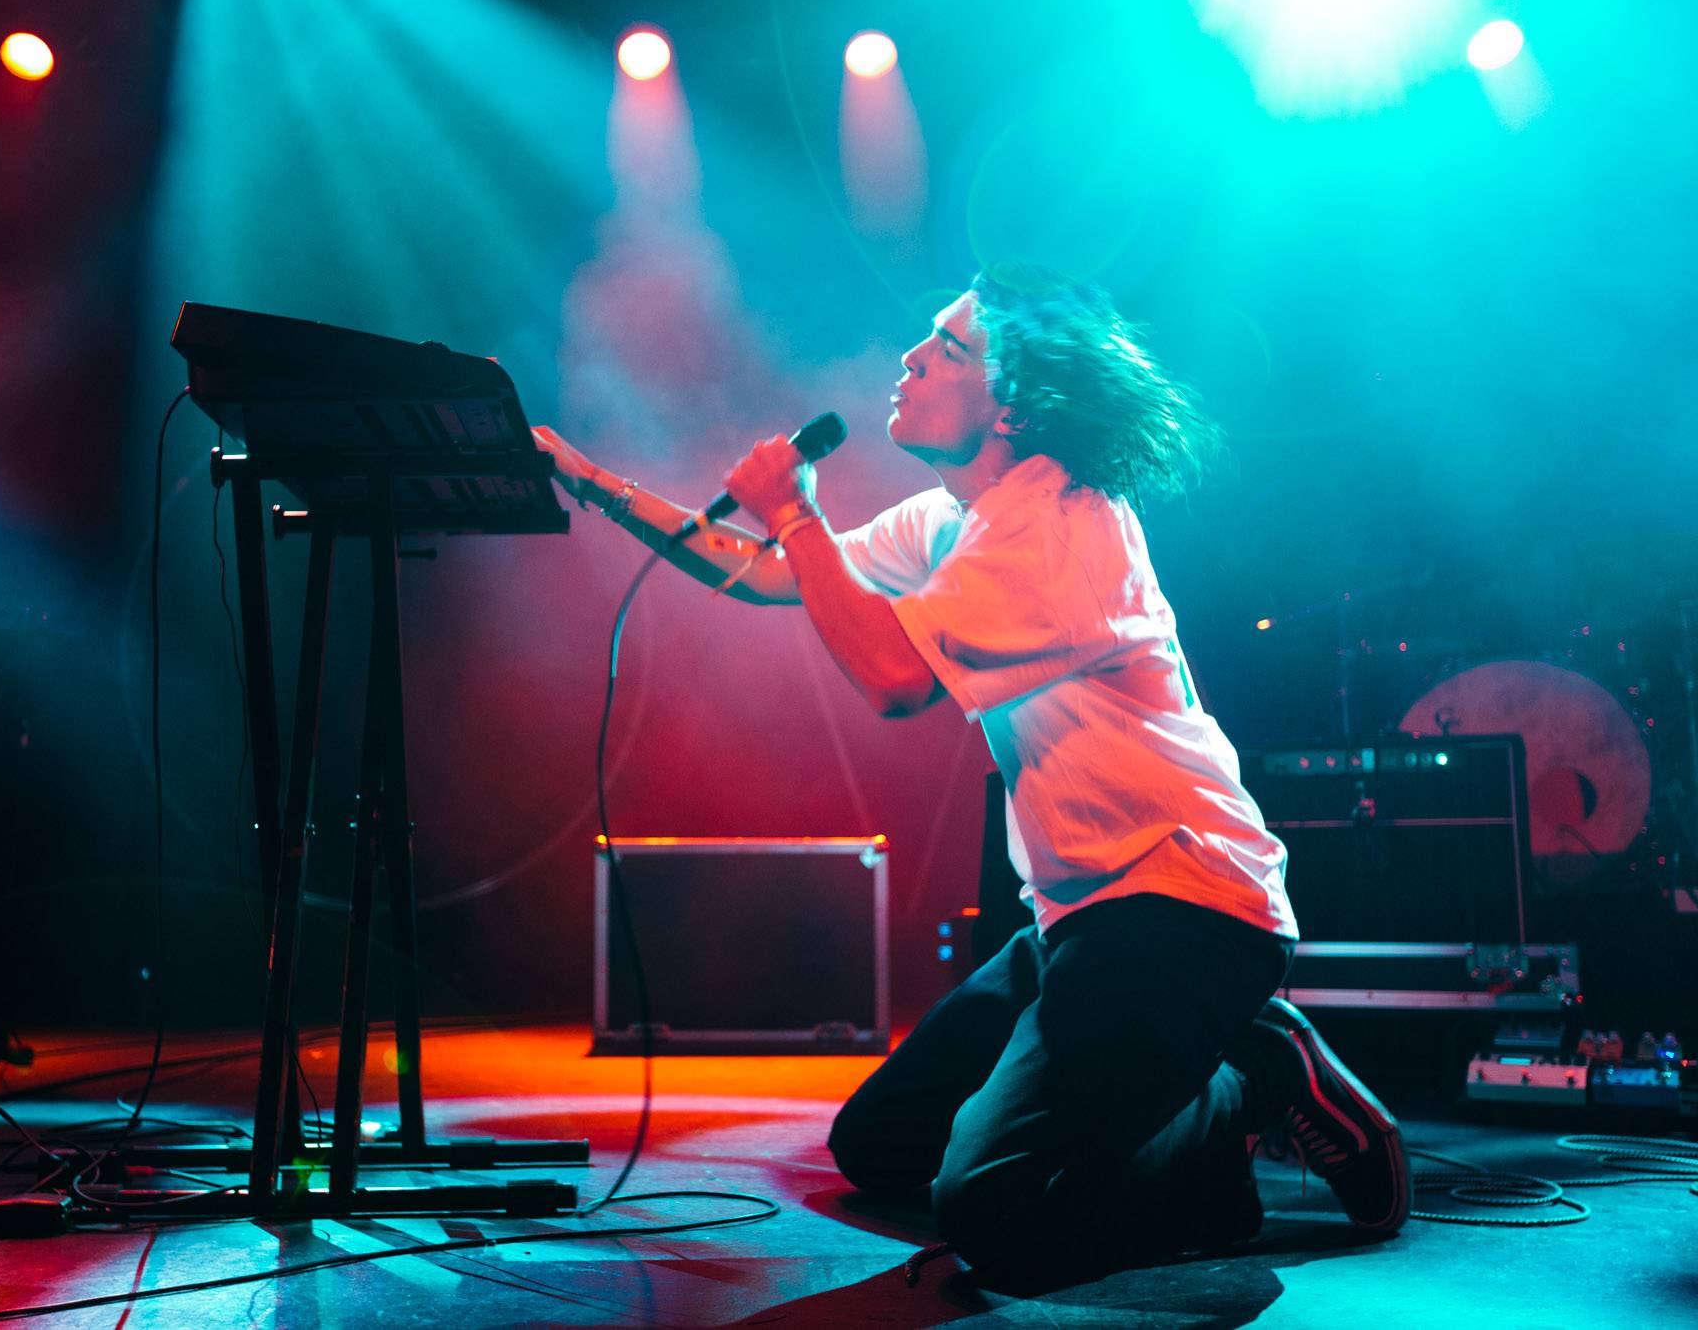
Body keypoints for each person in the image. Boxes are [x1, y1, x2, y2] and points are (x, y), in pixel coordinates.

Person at [533, 265, 1408, 1287]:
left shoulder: (1058, 525)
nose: (909, 357)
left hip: (1183, 908)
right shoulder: (957, 518)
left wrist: (799, 516)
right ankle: (1195, 1107)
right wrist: (592, 482)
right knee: (880, 1145)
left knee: (990, 1208)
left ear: (1015, 402)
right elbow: (777, 576)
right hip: (1076, 923)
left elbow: (894, 678)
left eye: (947, 347)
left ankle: (1245, 1081)